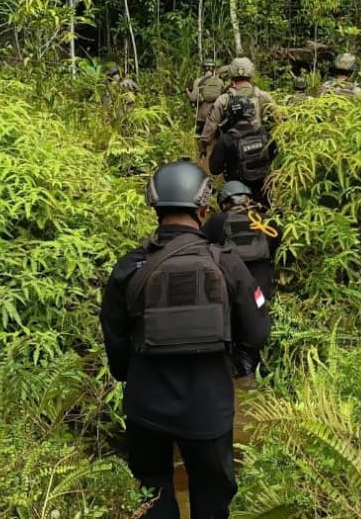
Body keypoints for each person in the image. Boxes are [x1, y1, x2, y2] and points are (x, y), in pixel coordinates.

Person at [99, 161, 270, 519]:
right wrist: (236, 363)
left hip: (147, 406)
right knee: (212, 498)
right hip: (209, 407)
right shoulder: (227, 263)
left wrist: (130, 375)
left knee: (152, 490)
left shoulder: (129, 268)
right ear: (204, 210)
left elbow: (114, 338)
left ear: (156, 211)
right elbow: (256, 331)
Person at [202, 181, 280, 376]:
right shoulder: (265, 221)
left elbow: (200, 247)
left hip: (227, 294)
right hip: (260, 294)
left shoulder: (217, 222)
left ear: (224, 202)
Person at [199, 56, 278, 159]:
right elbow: (278, 119)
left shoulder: (223, 100)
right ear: (251, 75)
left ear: (231, 75)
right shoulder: (263, 96)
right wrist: (265, 128)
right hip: (259, 148)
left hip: (233, 151)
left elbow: (211, 125)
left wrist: (204, 145)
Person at [208, 96, 277, 207]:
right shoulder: (264, 134)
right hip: (264, 192)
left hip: (238, 196)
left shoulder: (226, 139)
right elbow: (276, 159)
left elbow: (214, 169)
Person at [186, 59, 224, 136]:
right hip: (215, 115)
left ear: (203, 69)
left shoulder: (198, 81)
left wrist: (187, 91)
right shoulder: (220, 82)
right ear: (213, 69)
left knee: (200, 138)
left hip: (202, 117)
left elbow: (193, 99)